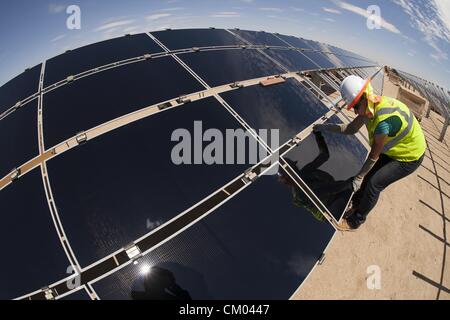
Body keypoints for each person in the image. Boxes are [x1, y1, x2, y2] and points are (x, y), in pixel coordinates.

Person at [314, 75, 427, 230]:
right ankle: (356, 204)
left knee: (374, 183)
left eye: (354, 107)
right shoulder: (369, 107)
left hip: (409, 157)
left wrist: (358, 178)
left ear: (364, 97)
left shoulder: (384, 121)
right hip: (398, 148)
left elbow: (374, 156)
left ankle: (356, 221)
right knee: (368, 176)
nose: (354, 112)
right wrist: (326, 127)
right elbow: (351, 128)